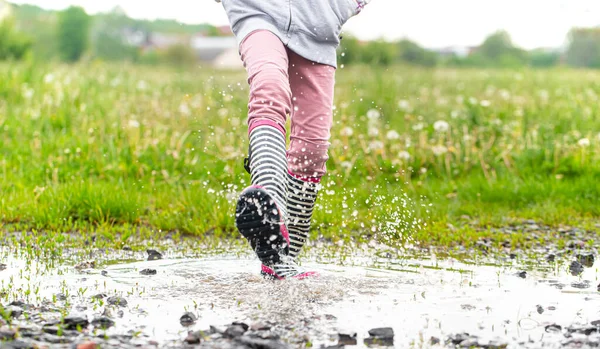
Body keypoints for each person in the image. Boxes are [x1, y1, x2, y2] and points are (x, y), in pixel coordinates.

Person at [216, 0, 370, 279]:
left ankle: (281, 262)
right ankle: (268, 205)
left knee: (312, 149)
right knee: (269, 88)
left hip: (319, 22)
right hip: (258, 11)